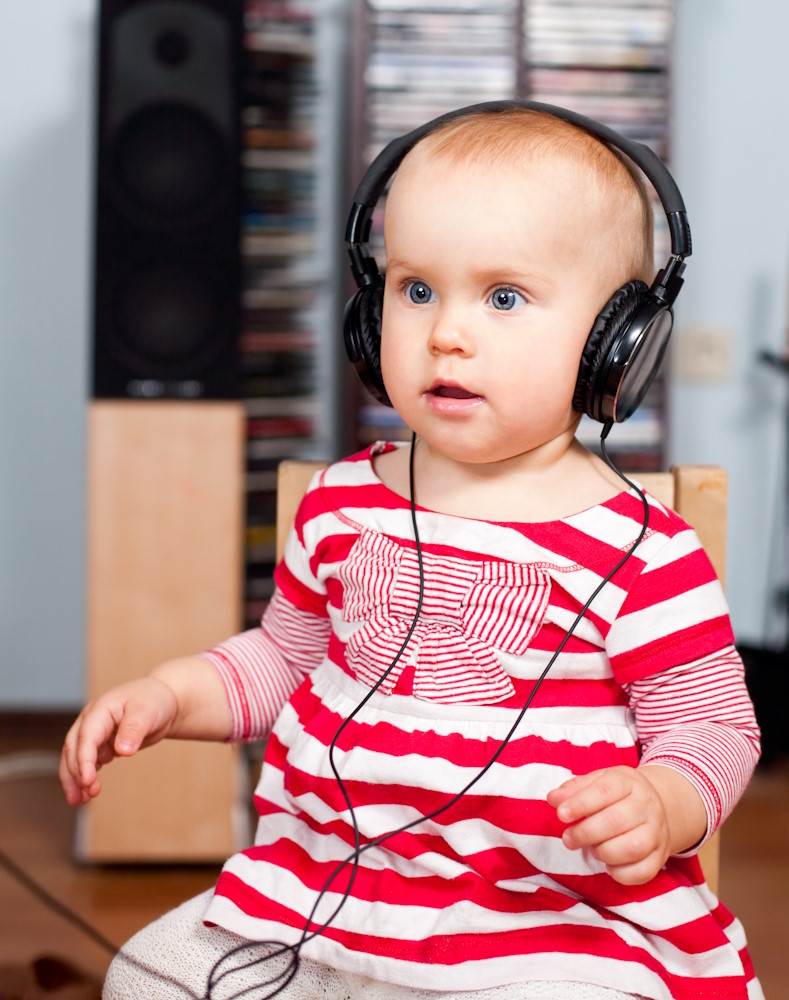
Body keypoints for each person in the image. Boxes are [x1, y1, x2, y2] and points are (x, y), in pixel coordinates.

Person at [60, 105, 763, 1000]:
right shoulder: (341, 503)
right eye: (415, 289)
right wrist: (169, 694)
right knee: (146, 979)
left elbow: (713, 727)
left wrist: (663, 803)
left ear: (614, 347)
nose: (445, 334)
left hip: (549, 924)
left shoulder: (643, 551)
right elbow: (283, 659)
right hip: (329, 900)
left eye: (503, 298)